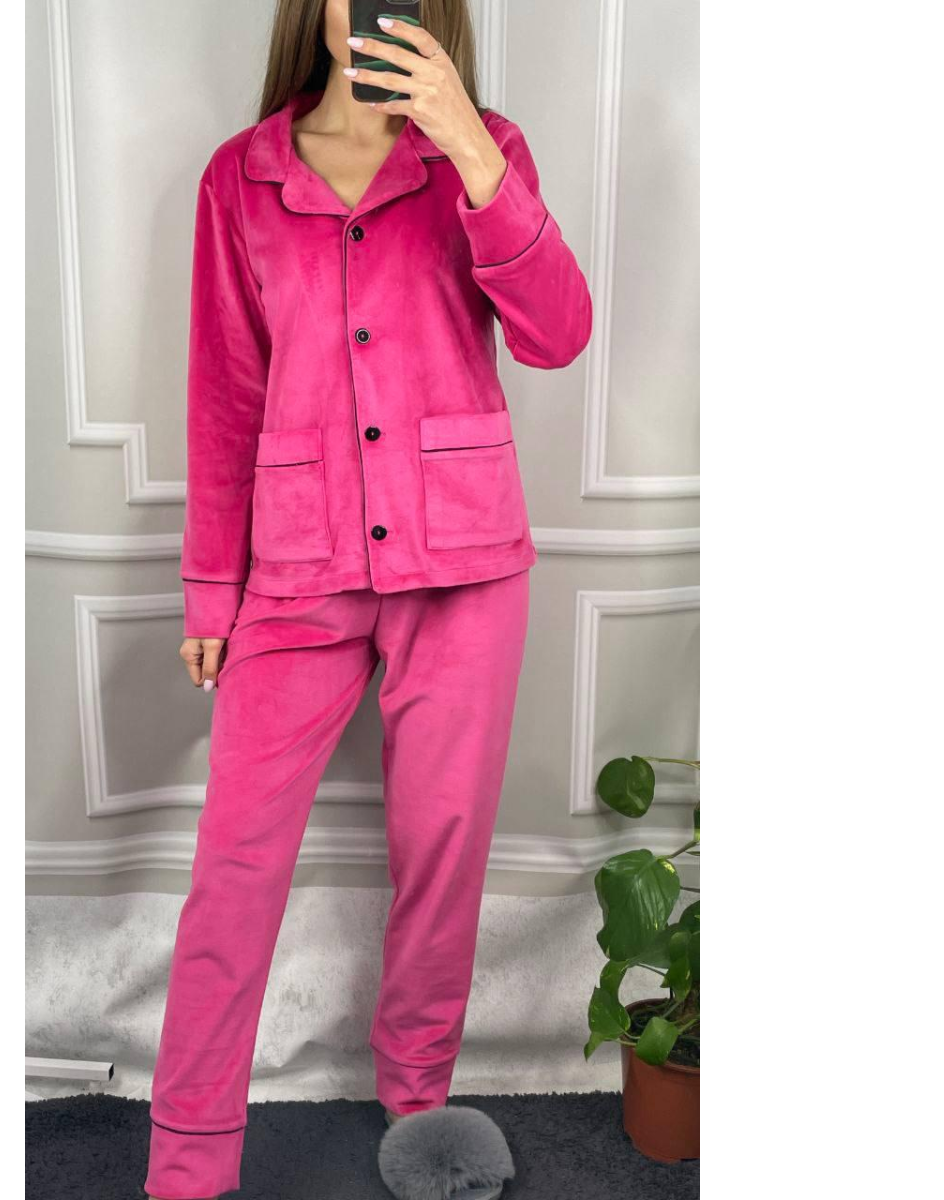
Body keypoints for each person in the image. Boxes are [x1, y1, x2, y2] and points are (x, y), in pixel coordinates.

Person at [145, 1, 591, 1195]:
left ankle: (421, 1116)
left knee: (441, 853)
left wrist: (469, 143)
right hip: (296, 563)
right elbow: (226, 390)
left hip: (464, 559)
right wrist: (211, 588)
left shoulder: (483, 149)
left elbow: (557, 335)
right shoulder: (242, 177)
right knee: (235, 866)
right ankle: (186, 1164)